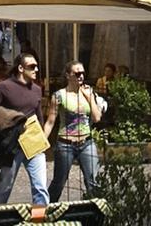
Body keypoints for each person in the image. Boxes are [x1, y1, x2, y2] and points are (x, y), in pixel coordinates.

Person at [0, 51, 49, 207]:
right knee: (5, 185)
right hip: (12, 144)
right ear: (21, 68)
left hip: (33, 142)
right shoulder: (4, 87)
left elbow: (38, 114)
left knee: (40, 186)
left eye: (37, 66)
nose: (36, 70)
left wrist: (42, 136)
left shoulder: (36, 89)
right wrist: (11, 120)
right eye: (32, 66)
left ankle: (42, 219)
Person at [48, 61, 104, 201]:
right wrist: (41, 143)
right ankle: (45, 211)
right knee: (59, 182)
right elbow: (50, 122)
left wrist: (90, 96)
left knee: (94, 182)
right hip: (65, 143)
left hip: (86, 142)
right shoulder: (59, 96)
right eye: (77, 73)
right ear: (68, 75)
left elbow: (97, 118)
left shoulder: (88, 92)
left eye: (83, 73)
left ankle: (96, 216)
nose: (81, 76)